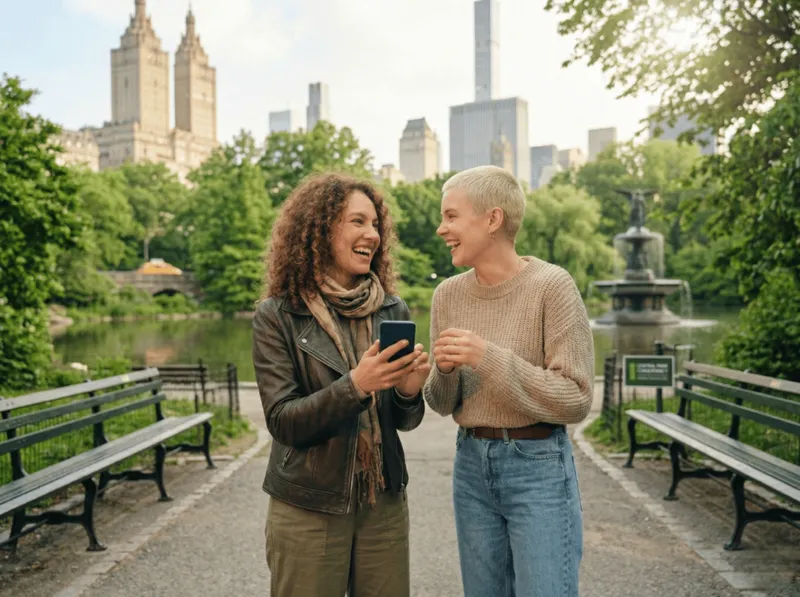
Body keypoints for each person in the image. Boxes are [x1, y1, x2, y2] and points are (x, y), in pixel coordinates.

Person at [252, 172, 431, 597]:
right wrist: (355, 386)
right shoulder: (277, 315)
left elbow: (403, 422)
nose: (372, 234)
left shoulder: (391, 308)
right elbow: (285, 422)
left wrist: (408, 391)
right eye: (357, 222)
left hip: (382, 501)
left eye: (375, 224)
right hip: (309, 504)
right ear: (319, 229)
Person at [422, 165, 594, 597]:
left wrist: (488, 358)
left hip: (538, 467)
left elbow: (575, 399)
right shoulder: (448, 295)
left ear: (493, 219)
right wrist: (441, 372)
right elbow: (442, 403)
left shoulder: (552, 287)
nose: (441, 228)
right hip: (470, 467)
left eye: (451, 216)